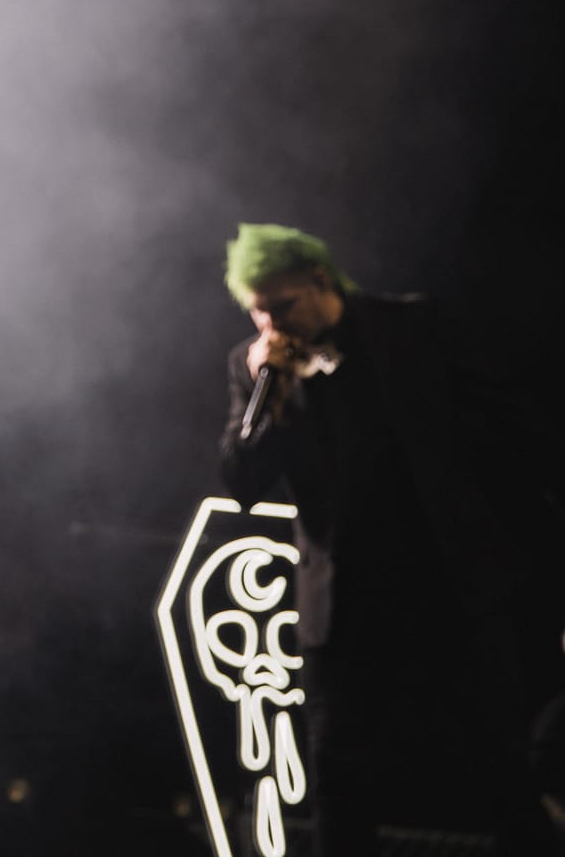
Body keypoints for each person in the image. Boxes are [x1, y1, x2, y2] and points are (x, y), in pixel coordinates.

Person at [217, 223, 564, 856]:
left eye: (283, 306)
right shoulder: (256, 366)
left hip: (445, 582)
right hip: (345, 603)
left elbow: (509, 422)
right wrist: (272, 398)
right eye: (257, 312)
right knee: (338, 778)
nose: (272, 325)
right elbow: (241, 482)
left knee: (500, 768)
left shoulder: (409, 327)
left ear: (320, 281)